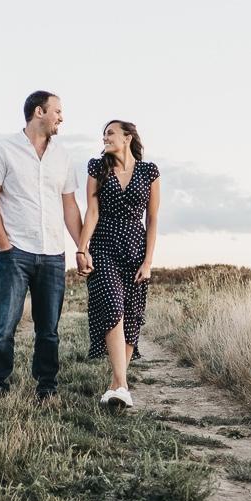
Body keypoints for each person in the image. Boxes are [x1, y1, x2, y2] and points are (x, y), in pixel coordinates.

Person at [0, 90, 89, 401]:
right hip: (15, 252)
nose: (61, 118)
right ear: (39, 112)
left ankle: (47, 388)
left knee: (49, 330)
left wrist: (82, 247)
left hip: (53, 254)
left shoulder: (63, 157)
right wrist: (3, 245)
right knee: (4, 325)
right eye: (57, 111)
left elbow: (70, 207)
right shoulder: (3, 149)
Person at [78, 119, 160, 408]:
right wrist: (81, 248)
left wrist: (148, 261)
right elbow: (92, 212)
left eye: (110, 133)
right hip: (104, 246)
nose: (104, 137)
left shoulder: (148, 171)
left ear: (127, 137)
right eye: (103, 134)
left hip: (136, 248)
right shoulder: (96, 168)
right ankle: (123, 384)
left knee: (131, 316)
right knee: (113, 307)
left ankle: (116, 387)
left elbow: (151, 220)